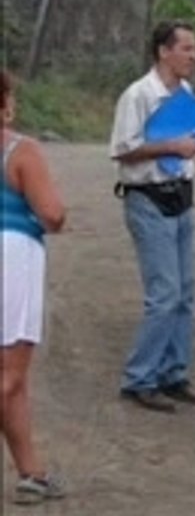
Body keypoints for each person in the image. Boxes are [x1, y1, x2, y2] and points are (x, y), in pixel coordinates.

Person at [109, 20, 195, 413]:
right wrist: (170, 145)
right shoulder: (137, 95)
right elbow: (122, 148)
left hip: (181, 193)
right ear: (164, 51)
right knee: (164, 293)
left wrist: (187, 148)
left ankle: (173, 372)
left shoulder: (184, 93)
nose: (193, 55)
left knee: (184, 292)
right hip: (148, 196)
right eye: (186, 48)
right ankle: (139, 377)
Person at [1, 70, 68, 505]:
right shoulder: (20, 150)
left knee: (14, 381)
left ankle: (31, 472)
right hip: (12, 256)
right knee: (10, 374)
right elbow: (52, 213)